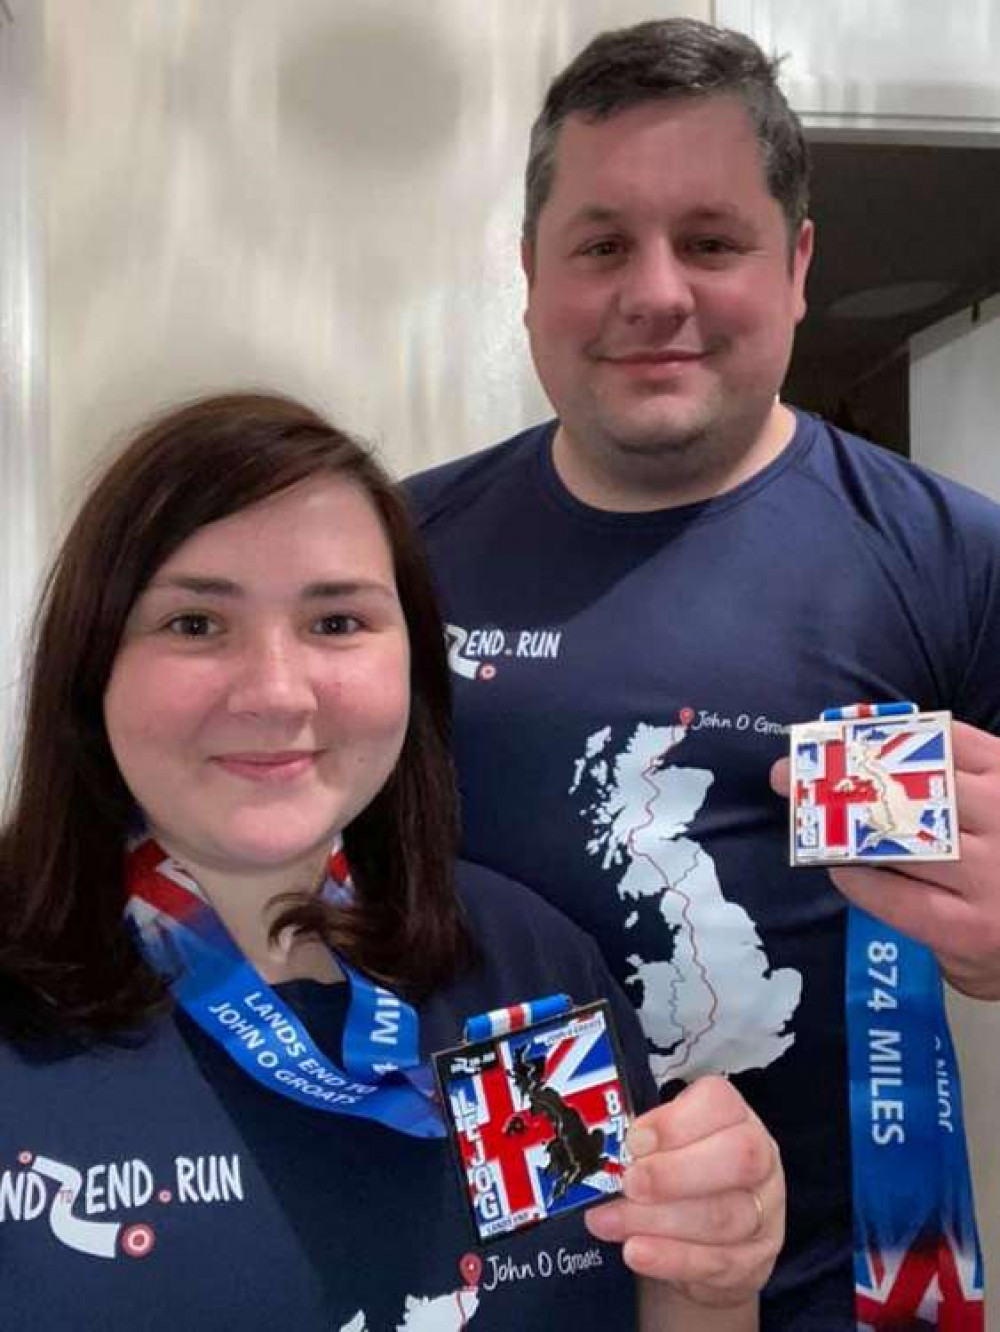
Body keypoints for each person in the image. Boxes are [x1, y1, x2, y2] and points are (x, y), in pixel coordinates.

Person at [405, 17, 1000, 1330]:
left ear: (795, 268)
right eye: (603, 244)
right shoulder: (389, 563)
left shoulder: (956, 558)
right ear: (528, 275)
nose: (656, 291)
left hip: (837, 1296)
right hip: (483, 1286)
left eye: (712, 241)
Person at [0, 392, 783, 1331]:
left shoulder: (527, 960)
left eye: (337, 624)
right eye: (196, 625)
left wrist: (710, 1276)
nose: (278, 693)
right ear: (92, 663)